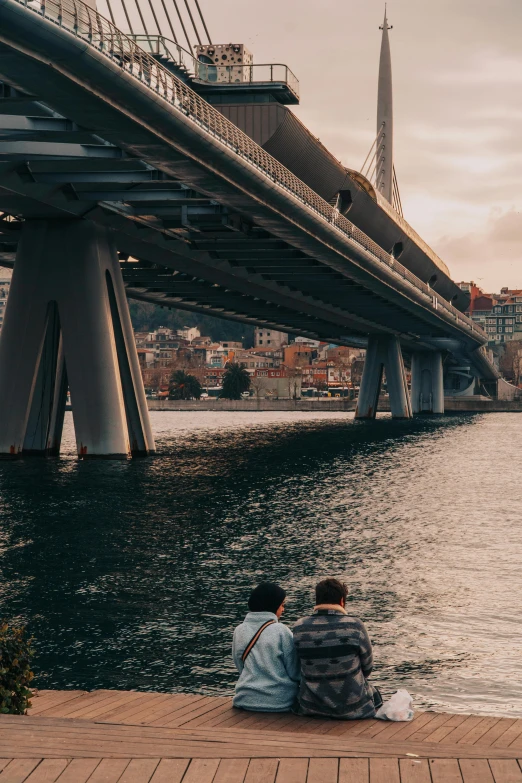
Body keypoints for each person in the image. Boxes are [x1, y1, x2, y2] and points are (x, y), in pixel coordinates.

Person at [292, 577, 382, 719]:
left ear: (317, 601)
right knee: (375, 694)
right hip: (352, 708)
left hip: (311, 706)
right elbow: (368, 667)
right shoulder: (355, 626)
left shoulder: (299, 627)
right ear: (341, 601)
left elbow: (298, 665)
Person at [232, 582, 300, 712]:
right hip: (279, 702)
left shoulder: (239, 630)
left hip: (245, 699)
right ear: (273, 605)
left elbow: (240, 665)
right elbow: (294, 671)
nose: (283, 609)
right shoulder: (281, 631)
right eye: (282, 605)